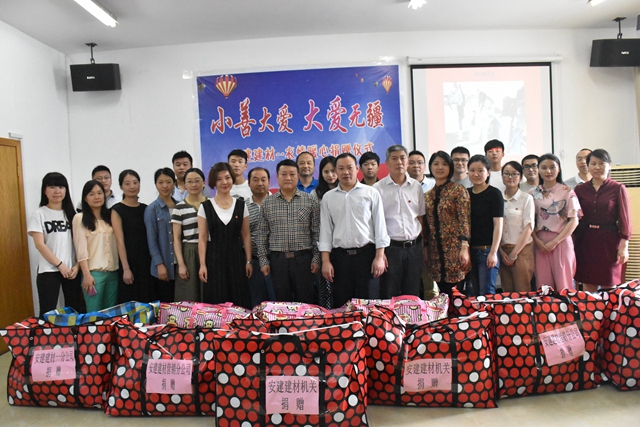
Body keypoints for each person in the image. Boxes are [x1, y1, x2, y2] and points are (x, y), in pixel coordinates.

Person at [319, 153, 389, 308]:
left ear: (357, 169)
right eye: (341, 168)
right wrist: (326, 261)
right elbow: (325, 231)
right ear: (336, 171)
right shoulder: (328, 198)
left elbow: (380, 226)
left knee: (369, 303)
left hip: (366, 256)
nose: (346, 172)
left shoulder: (371, 193)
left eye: (349, 167)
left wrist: (379, 257)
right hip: (340, 258)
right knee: (342, 304)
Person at [257, 160, 320, 303]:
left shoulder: (310, 201)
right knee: (281, 303)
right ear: (277, 177)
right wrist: (263, 261)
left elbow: (316, 233)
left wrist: (316, 258)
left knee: (306, 302)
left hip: (304, 260)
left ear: (298, 176)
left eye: (292, 174)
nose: (288, 178)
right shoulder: (267, 203)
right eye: (283, 174)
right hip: (278, 261)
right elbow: (262, 236)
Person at [574, 149, 631, 292]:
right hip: (585, 241)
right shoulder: (580, 190)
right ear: (588, 166)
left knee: (609, 284)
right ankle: (590, 308)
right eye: (593, 164)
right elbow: (575, 217)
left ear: (609, 165)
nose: (597, 167)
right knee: (588, 285)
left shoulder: (618, 188)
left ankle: (609, 308)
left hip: (609, 242)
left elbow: (625, 219)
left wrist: (624, 246)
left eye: (601, 163)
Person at [28, 172, 84, 315]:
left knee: (74, 310)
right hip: (48, 270)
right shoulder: (39, 214)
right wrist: (60, 265)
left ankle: (72, 332)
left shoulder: (73, 215)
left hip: (72, 270)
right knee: (47, 312)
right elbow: (40, 245)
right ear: (45, 191)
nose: (57, 191)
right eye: (52, 187)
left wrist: (77, 266)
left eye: (61, 187)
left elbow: (81, 243)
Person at [198, 162, 252, 308]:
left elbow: (246, 235)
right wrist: (202, 265)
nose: (224, 182)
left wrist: (248, 261)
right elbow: (202, 238)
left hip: (237, 259)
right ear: (213, 182)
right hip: (214, 260)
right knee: (217, 301)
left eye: (227, 178)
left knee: (239, 300)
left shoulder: (241, 205)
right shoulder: (205, 207)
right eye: (219, 179)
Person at [374, 145, 425, 298]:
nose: (399, 162)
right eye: (394, 158)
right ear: (387, 163)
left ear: (407, 161)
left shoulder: (416, 186)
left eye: (403, 158)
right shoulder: (377, 189)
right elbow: (376, 223)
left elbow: (420, 217)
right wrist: (380, 252)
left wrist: (423, 245)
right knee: (390, 291)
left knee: (413, 292)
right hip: (391, 249)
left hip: (414, 248)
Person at [423, 151, 471, 298]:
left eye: (444, 164)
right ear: (430, 167)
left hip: (455, 251)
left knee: (456, 295)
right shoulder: (428, 195)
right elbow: (426, 225)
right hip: (435, 252)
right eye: (436, 164)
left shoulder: (458, 190)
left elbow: (464, 220)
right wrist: (425, 248)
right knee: (442, 294)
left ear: (450, 167)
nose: (440, 167)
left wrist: (464, 247)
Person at [531, 153, 581, 291]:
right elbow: (529, 222)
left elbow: (574, 220)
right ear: (538, 170)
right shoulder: (532, 193)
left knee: (564, 284)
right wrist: (537, 241)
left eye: (552, 167)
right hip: (539, 243)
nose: (548, 171)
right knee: (543, 285)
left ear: (559, 169)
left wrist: (555, 241)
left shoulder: (568, 191)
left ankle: (566, 306)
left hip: (561, 240)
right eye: (544, 167)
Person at [73, 180, 118, 311]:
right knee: (94, 314)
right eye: (91, 194)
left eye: (99, 193)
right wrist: (86, 274)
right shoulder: (80, 218)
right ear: (85, 198)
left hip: (113, 273)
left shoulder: (110, 217)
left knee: (110, 315)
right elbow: (80, 249)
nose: (97, 197)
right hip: (94, 275)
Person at [111, 170, 153, 303]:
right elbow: (120, 241)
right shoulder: (117, 210)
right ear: (121, 186)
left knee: (147, 299)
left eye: (135, 183)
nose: (132, 186)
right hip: (129, 261)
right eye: (127, 183)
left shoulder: (146, 208)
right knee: (131, 301)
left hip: (146, 261)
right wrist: (126, 268)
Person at [467, 154, 504, 296]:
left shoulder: (494, 194)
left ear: (488, 172)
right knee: (474, 293)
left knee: (487, 293)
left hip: (487, 250)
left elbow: (498, 225)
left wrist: (493, 252)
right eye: (472, 170)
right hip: (470, 251)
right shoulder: (466, 194)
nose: (476, 174)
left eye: (480, 170)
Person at [499, 161, 535, 292]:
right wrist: (501, 252)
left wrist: (513, 254)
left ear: (520, 177)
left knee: (522, 291)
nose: (510, 177)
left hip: (522, 251)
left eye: (514, 174)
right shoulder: (497, 198)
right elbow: (495, 227)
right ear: (502, 176)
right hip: (503, 251)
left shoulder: (526, 199)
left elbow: (529, 228)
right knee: (506, 292)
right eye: (507, 174)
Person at [171, 167, 207, 301]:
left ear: (204, 183)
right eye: (189, 181)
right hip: (189, 253)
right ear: (184, 184)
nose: (193, 185)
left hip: (209, 250)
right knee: (190, 294)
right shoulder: (179, 208)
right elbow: (176, 239)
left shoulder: (211, 204)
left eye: (197, 181)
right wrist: (181, 264)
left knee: (209, 293)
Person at [144, 168, 177, 302]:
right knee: (165, 305)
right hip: (163, 266)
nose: (165, 186)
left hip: (180, 265)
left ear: (174, 183)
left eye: (168, 182)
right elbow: (151, 240)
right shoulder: (151, 209)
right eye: (160, 182)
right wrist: (160, 264)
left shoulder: (180, 206)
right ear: (156, 184)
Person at [246, 167, 276, 306]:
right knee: (256, 301)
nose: (260, 183)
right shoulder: (243, 206)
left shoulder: (277, 202)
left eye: (263, 180)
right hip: (254, 261)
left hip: (276, 260)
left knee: (277, 301)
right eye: (255, 180)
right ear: (249, 183)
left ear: (269, 182)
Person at [311, 156, 338, 308]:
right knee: (325, 289)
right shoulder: (316, 194)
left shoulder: (347, 191)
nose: (330, 175)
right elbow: (315, 223)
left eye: (333, 171)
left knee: (342, 286)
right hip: (323, 246)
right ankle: (327, 315)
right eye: (326, 172)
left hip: (342, 245)